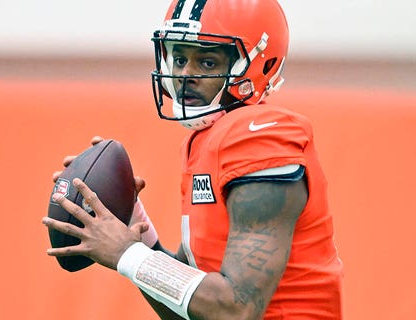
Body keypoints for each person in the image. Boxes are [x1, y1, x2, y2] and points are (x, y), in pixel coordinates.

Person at [43, 0, 343, 319]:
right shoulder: (207, 141)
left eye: (208, 62)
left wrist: (127, 254)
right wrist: (133, 227)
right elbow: (190, 309)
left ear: (257, 64)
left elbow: (234, 309)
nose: (186, 74)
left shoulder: (260, 136)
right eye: (181, 58)